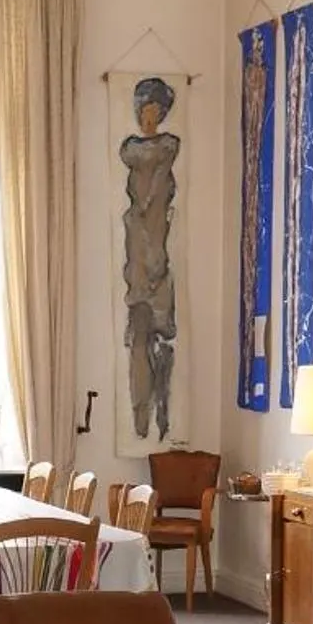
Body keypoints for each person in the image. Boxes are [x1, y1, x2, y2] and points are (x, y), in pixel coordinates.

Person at [120, 76, 180, 442]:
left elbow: (159, 186)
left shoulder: (169, 146)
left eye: (155, 111)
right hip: (137, 244)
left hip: (156, 237)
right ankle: (143, 417)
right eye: (144, 110)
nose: (149, 118)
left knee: (157, 337)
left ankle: (161, 416)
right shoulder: (130, 149)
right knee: (140, 337)